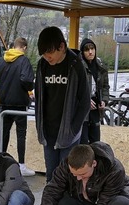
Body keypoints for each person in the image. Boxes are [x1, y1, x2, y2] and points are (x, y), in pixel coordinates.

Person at [35, 26, 90, 182]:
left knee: (67, 178)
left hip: (69, 134)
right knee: (51, 177)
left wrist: (73, 129)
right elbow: (38, 96)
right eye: (43, 54)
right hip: (48, 133)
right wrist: (40, 126)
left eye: (50, 52)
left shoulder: (75, 64)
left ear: (61, 46)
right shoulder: (42, 65)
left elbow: (85, 102)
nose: (47, 57)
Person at [0, 37, 35, 177]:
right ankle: (21, 165)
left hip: (4, 103)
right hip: (20, 104)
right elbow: (27, 79)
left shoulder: (2, 60)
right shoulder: (24, 61)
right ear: (24, 47)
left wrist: (4, 87)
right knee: (20, 134)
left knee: (3, 133)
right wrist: (27, 89)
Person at [79, 38, 110, 144]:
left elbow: (105, 86)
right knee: (83, 142)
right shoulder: (78, 66)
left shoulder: (100, 66)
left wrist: (104, 100)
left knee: (96, 141)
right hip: (82, 110)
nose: (90, 52)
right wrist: (85, 100)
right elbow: (73, 90)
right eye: (87, 50)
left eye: (92, 48)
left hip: (96, 107)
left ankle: (95, 160)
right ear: (82, 52)